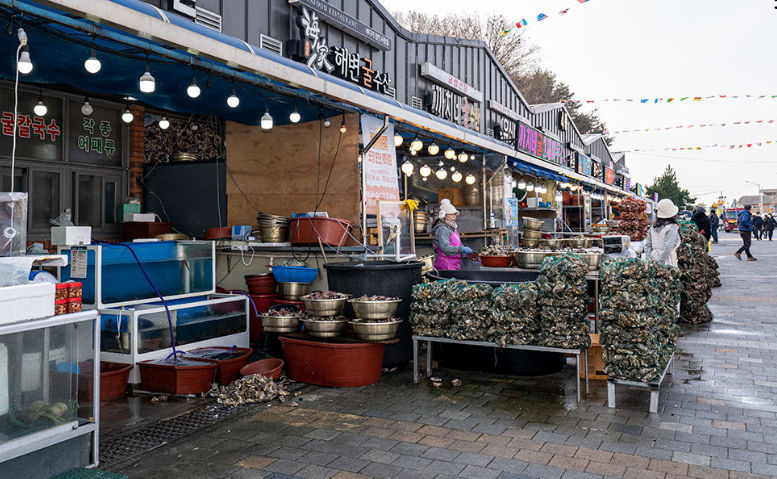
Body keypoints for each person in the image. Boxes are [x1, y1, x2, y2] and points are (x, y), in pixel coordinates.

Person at [432, 199, 473, 270]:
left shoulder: (454, 229)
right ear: (444, 215)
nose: (454, 216)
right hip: (445, 264)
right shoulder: (442, 229)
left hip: (455, 264)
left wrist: (467, 255)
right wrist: (462, 249)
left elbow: (459, 245)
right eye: (451, 214)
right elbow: (445, 248)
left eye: (455, 214)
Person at [644, 198, 682, 267]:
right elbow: (668, 248)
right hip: (668, 261)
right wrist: (660, 263)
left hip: (653, 259)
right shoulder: (672, 227)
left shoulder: (653, 227)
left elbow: (647, 245)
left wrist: (649, 260)